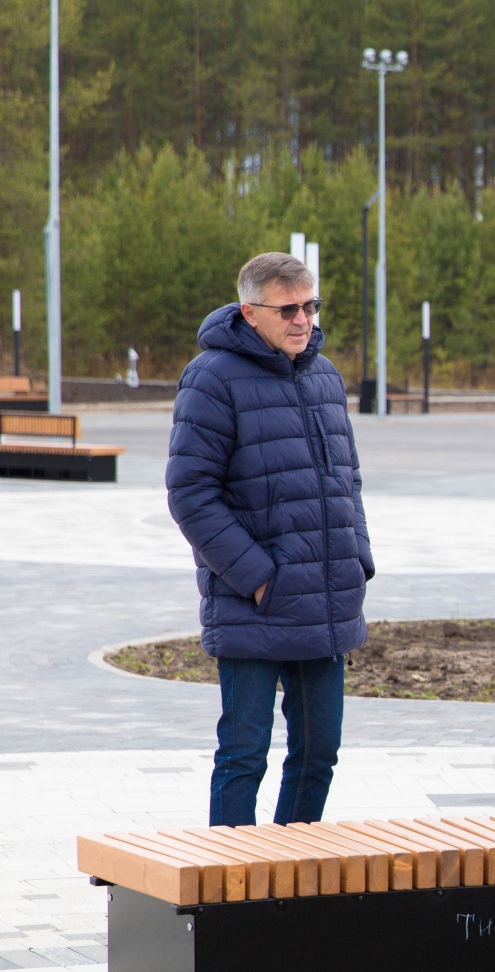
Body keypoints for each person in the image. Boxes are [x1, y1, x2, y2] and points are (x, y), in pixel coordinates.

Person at [167, 251, 374, 828]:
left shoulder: (324, 375)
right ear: (249, 312)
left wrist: (357, 558)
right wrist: (259, 578)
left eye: (310, 306)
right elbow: (191, 494)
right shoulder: (212, 377)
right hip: (255, 604)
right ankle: (233, 880)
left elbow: (348, 478)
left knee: (318, 755)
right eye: (288, 310)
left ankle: (293, 870)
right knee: (244, 756)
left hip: (325, 600)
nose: (302, 320)